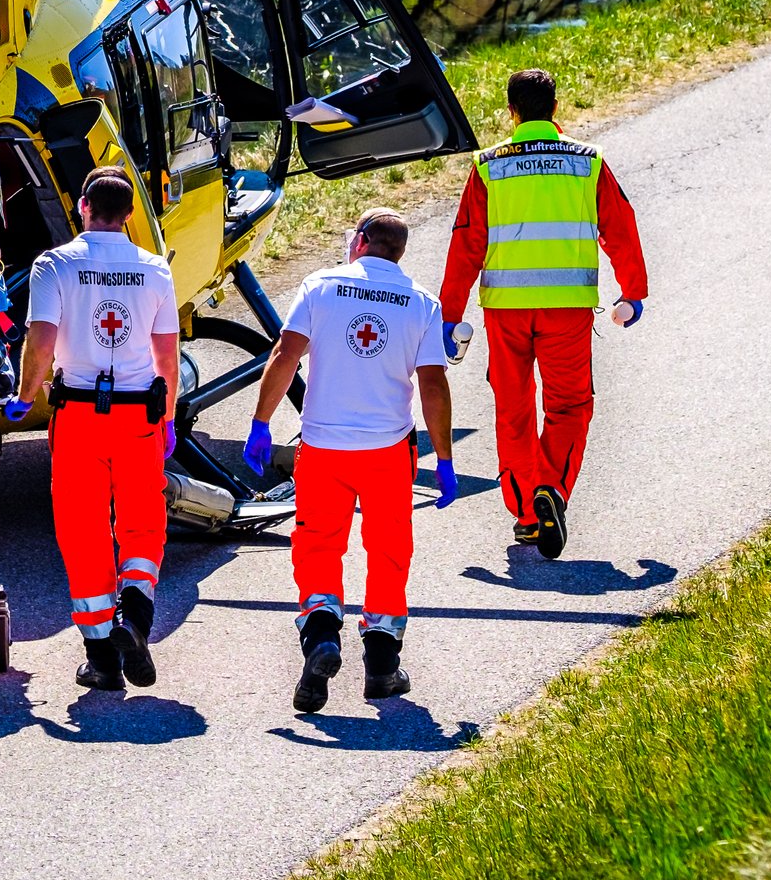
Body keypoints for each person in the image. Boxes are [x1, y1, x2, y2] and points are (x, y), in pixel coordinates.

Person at [248, 208, 455, 713]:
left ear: (360, 241)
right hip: (387, 450)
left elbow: (286, 353)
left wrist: (260, 423)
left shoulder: (321, 287)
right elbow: (432, 383)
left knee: (317, 545)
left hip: (322, 448)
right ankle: (382, 668)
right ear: (399, 252)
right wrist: (444, 458)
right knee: (388, 548)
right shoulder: (422, 304)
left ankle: (321, 633)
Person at [438, 67, 650, 560]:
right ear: (556, 109)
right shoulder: (587, 161)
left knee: (513, 411)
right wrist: (632, 291)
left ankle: (528, 516)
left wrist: (450, 316)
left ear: (511, 111)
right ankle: (550, 489)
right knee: (569, 407)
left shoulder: (489, 165)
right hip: (566, 310)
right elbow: (620, 225)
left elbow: (466, 243)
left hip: (506, 312)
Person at [16, 166, 180, 693]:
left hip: (79, 415)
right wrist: (169, 416)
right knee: (142, 519)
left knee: (82, 527)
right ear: (130, 215)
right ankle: (135, 617)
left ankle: (102, 659)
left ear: (82, 206)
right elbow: (166, 356)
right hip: (140, 415)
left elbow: (41, 342)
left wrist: (23, 397)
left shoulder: (55, 265)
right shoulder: (155, 269)